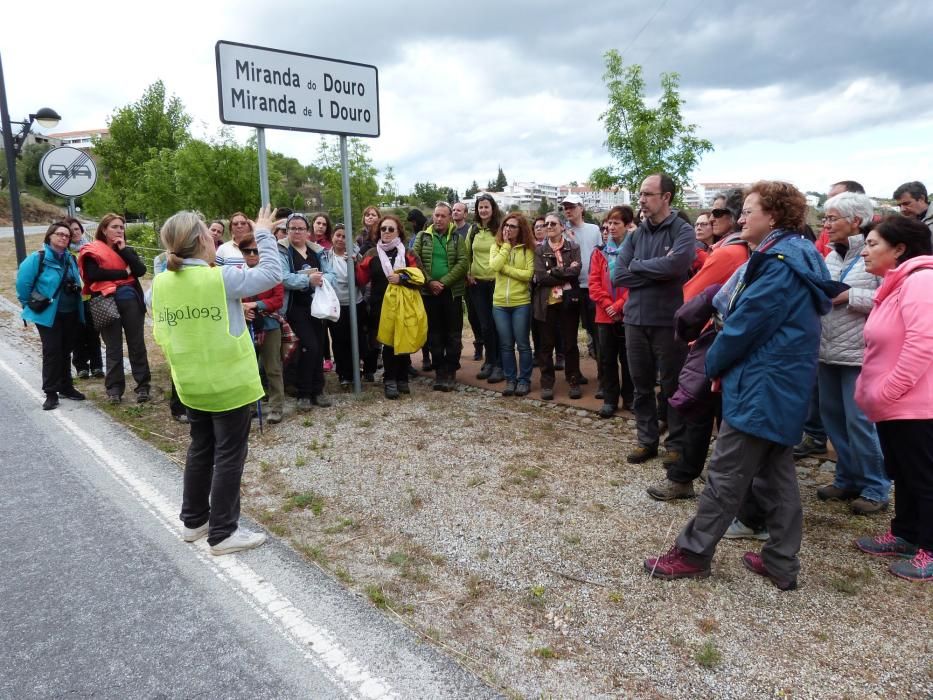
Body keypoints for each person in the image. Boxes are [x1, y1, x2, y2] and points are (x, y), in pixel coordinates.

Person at [645, 181, 839, 590]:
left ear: (774, 216)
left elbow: (744, 326)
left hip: (763, 385)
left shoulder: (779, 264)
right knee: (774, 476)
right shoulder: (794, 256)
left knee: (727, 474)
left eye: (750, 210)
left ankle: (694, 552)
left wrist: (710, 361)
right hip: (780, 383)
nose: (742, 217)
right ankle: (781, 561)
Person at [151, 207, 280, 555]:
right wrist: (264, 232)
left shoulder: (160, 283)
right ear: (201, 240)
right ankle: (223, 533)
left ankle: (194, 522)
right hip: (229, 383)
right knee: (229, 455)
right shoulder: (220, 278)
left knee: (200, 449)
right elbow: (272, 272)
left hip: (191, 384)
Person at [653, 190, 750, 504]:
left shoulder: (730, 253)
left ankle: (690, 480)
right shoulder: (734, 249)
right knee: (719, 416)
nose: (711, 218)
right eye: (712, 212)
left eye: (719, 213)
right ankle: (709, 479)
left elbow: (692, 295)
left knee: (702, 413)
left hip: (714, 342)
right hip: (726, 342)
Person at [854, 215, 933, 582]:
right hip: (895, 405)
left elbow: (922, 345)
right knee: (903, 473)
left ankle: (930, 550)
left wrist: (888, 390)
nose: (865, 251)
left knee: (924, 477)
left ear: (899, 248)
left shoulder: (922, 281)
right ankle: (905, 533)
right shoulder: (895, 284)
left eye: (873, 244)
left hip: (916, 405)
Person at [612, 174, 695, 465]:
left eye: (648, 194)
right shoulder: (635, 235)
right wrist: (655, 272)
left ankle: (676, 444)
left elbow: (677, 266)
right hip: (635, 321)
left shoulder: (683, 231)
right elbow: (618, 275)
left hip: (668, 322)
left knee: (672, 386)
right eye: (640, 194)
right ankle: (646, 441)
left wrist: (638, 267)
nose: (642, 200)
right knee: (641, 385)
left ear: (666, 197)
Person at [816, 192, 889, 514]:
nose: (825, 224)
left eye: (832, 218)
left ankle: (876, 486)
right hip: (827, 349)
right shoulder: (832, 255)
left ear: (855, 221)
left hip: (858, 353)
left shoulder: (876, 253)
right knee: (833, 418)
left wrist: (849, 296)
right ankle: (846, 478)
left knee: (860, 422)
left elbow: (889, 298)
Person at [78, 214, 151, 404]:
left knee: (137, 345)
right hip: (106, 302)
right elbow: (94, 275)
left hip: (131, 302)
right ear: (104, 229)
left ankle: (143, 386)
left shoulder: (127, 250)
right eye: (115, 227)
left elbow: (140, 271)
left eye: (121, 227)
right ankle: (114, 390)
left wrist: (124, 251)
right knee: (113, 348)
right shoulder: (92, 251)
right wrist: (123, 273)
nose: (119, 230)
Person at [17, 222, 87, 410]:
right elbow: (23, 286)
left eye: (67, 235)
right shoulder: (37, 259)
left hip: (70, 311)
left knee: (66, 350)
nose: (64, 237)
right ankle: (50, 392)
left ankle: (66, 386)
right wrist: (30, 306)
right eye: (60, 234)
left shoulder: (70, 259)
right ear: (50, 236)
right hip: (48, 314)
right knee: (52, 351)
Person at [356, 215, 424, 399]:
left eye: (390, 229)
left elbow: (421, 279)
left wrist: (402, 279)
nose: (386, 232)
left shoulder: (409, 254)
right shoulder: (372, 254)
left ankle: (402, 378)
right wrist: (352, 262)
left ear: (399, 232)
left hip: (405, 305)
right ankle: (390, 379)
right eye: (383, 228)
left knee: (402, 341)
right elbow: (361, 279)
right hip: (381, 305)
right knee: (388, 344)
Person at [412, 202, 468, 391]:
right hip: (429, 293)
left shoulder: (457, 238)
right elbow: (415, 260)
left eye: (443, 216)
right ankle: (439, 372)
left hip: (451, 292)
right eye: (436, 215)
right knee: (434, 333)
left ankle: (451, 370)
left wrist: (443, 282)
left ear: (450, 218)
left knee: (453, 334)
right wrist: (430, 282)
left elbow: (462, 263)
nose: (439, 219)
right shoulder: (423, 236)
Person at [278, 213, 332, 410]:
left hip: (317, 306)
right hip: (294, 308)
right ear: (287, 230)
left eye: (301, 228)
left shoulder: (318, 252)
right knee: (308, 346)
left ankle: (318, 390)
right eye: (292, 228)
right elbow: (283, 277)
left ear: (308, 232)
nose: (297, 232)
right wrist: (307, 280)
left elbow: (331, 274)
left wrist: (322, 280)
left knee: (318, 346)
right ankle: (304, 393)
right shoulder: (283, 251)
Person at [588, 206, 633, 418]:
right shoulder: (599, 252)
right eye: (609, 224)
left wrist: (620, 305)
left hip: (628, 313)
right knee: (606, 358)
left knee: (628, 359)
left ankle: (630, 398)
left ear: (627, 225)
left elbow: (637, 283)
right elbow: (593, 283)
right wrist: (608, 305)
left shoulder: (635, 251)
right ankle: (610, 399)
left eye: (616, 223)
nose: (611, 227)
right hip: (604, 315)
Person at [533, 212, 583, 400]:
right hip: (547, 303)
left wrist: (554, 271)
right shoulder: (539, 250)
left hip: (569, 302)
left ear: (562, 226)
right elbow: (541, 277)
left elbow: (576, 272)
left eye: (553, 223)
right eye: (546, 224)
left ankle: (573, 380)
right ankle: (547, 383)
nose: (549, 226)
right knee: (546, 345)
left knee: (570, 344)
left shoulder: (573, 247)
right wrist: (564, 272)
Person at [240, 234, 286, 424]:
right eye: (247, 251)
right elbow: (230, 298)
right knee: (248, 368)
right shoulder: (236, 274)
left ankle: (276, 407)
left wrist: (256, 305)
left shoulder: (273, 273)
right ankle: (250, 405)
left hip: (269, 325)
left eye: (256, 251)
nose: (251, 255)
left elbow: (277, 299)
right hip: (244, 326)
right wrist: (242, 310)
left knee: (272, 368)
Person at [490, 212, 535, 397]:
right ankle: (510, 380)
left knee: (523, 344)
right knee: (506, 345)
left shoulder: (528, 249)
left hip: (521, 303)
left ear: (521, 229)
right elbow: (494, 266)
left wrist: (505, 269)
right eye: (506, 225)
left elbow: (528, 275)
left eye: (513, 226)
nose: (508, 229)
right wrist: (507, 246)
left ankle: (524, 380)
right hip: (500, 303)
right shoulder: (497, 246)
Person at [321, 224, 367, 389]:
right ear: (332, 237)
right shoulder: (325, 257)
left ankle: (357, 371)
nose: (340, 239)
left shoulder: (356, 256)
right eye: (338, 235)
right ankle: (344, 374)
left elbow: (363, 279)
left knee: (357, 338)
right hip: (336, 305)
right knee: (339, 340)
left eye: (344, 236)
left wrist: (355, 264)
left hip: (356, 304)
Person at [466, 193, 503, 383]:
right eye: (480, 207)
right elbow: (466, 255)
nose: (483, 210)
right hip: (477, 284)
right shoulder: (473, 230)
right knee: (485, 324)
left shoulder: (500, 230)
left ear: (492, 208)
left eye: (486, 207)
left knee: (498, 325)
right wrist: (468, 273)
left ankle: (500, 364)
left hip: (497, 283)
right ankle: (490, 361)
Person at [561, 194, 601, 363]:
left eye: (571, 206)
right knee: (569, 335)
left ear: (581, 208)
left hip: (592, 287)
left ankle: (603, 376)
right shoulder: (561, 230)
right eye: (565, 207)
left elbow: (600, 255)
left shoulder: (594, 229)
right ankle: (574, 376)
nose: (568, 210)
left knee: (596, 333)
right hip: (570, 287)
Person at [65, 217, 103, 380]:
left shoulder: (91, 248)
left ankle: (97, 366)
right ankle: (81, 366)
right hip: (74, 298)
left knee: (94, 332)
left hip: (92, 295)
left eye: (77, 228)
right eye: (71, 230)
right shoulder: (65, 253)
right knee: (77, 333)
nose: (75, 232)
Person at [454, 201, 482, 364]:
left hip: (471, 280)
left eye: (459, 210)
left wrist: (469, 274)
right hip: (455, 282)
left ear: (465, 214)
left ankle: (480, 345)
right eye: (454, 210)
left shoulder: (471, 230)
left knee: (476, 314)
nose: (456, 212)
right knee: (463, 316)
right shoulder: (449, 231)